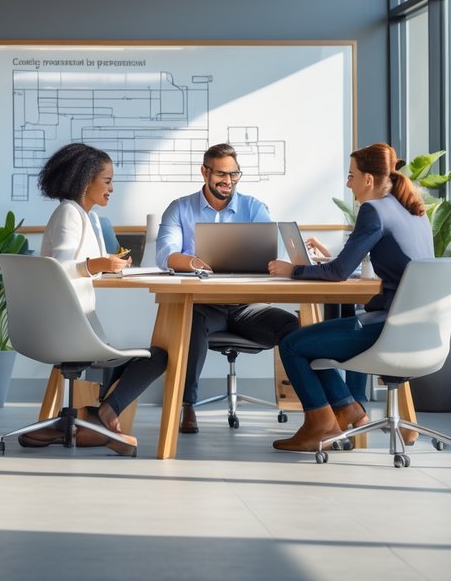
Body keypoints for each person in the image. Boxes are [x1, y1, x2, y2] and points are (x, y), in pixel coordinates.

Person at [266, 142, 434, 452]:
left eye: (351, 175)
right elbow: (384, 268)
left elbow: (338, 272)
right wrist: (330, 264)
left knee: (292, 343)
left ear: (368, 179)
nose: (348, 183)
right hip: (419, 330)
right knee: (328, 334)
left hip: (389, 328)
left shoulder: (374, 210)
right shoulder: (413, 210)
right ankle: (346, 408)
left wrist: (294, 270)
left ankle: (321, 424)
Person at [19, 143, 162, 457]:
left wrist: (105, 265)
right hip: (68, 328)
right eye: (107, 180)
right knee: (157, 355)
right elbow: (56, 268)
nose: (111, 188)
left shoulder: (85, 216)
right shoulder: (70, 214)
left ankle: (90, 421)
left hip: (64, 323)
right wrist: (97, 265)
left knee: (129, 349)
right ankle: (104, 417)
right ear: (86, 181)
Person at [155, 142, 299, 434]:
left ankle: (317, 411)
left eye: (234, 174)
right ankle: (187, 406)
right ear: (204, 172)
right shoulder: (180, 209)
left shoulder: (253, 207)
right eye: (221, 174)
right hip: (205, 307)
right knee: (190, 321)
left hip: (247, 307)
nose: (228, 181)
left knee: (294, 327)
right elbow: (165, 255)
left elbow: (274, 251)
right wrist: (196, 261)